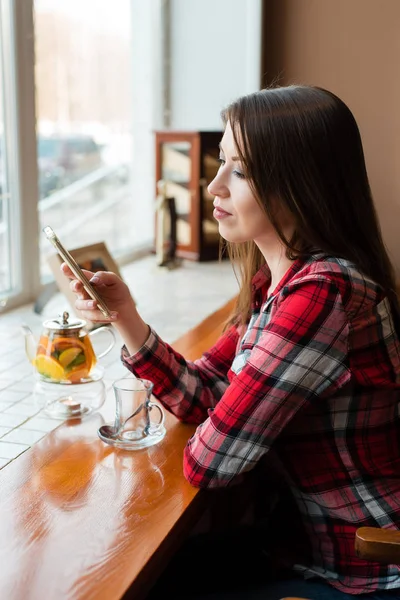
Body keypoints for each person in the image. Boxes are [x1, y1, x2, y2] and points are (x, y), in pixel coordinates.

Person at [61, 85, 400, 599]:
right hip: (303, 544)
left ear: (300, 182)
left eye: (239, 171)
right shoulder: (279, 281)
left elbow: (212, 461)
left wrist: (226, 411)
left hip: (362, 569)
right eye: (222, 163)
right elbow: (202, 392)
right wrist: (123, 315)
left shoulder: (320, 296)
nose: (213, 186)